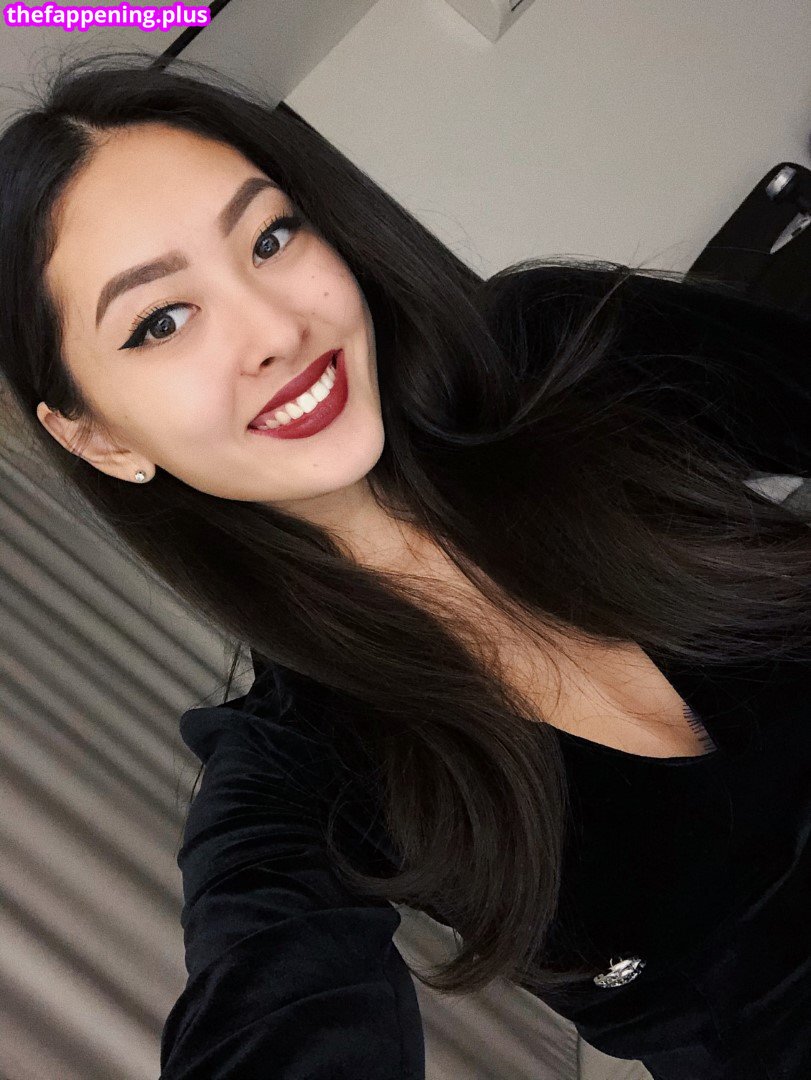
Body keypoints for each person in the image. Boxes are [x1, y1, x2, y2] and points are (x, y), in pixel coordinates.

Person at [0, 50, 808, 1080]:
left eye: (270, 237)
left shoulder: (560, 357)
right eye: (161, 321)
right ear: (101, 439)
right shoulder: (297, 777)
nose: (276, 329)